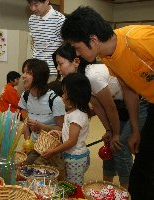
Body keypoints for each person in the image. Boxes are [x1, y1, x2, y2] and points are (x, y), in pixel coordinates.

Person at [61, 6, 154, 199]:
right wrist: (136, 129)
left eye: (77, 48)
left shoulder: (138, 39)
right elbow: (129, 89)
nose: (76, 54)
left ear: (93, 40)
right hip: (151, 103)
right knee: (142, 174)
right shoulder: (107, 56)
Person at [53, 42, 148, 189]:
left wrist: (115, 133)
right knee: (110, 144)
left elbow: (109, 108)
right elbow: (98, 107)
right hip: (120, 105)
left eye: (60, 63)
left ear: (76, 61)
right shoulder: (81, 79)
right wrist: (109, 131)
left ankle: (125, 192)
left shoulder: (92, 76)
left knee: (119, 147)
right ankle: (106, 188)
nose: (58, 69)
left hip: (138, 103)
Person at [18, 58, 66, 179]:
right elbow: (25, 117)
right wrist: (27, 140)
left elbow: (62, 129)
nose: (23, 76)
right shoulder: (26, 95)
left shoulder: (55, 100)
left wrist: (41, 127)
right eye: (23, 72)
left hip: (51, 149)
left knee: (37, 172)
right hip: (35, 146)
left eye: (28, 73)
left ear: (38, 76)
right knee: (21, 168)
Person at [42, 73, 91, 186]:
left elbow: (72, 141)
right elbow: (70, 134)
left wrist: (53, 151)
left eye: (65, 93)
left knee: (73, 186)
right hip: (72, 155)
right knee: (68, 182)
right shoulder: (72, 112)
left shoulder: (77, 115)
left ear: (74, 95)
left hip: (75, 158)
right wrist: (59, 132)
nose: (62, 96)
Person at [27, 0, 65, 82]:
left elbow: (66, 46)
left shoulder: (60, 19)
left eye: (36, 5)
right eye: (30, 5)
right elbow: (34, 43)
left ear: (47, 1)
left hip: (52, 71)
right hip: (35, 69)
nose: (33, 8)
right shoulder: (32, 19)